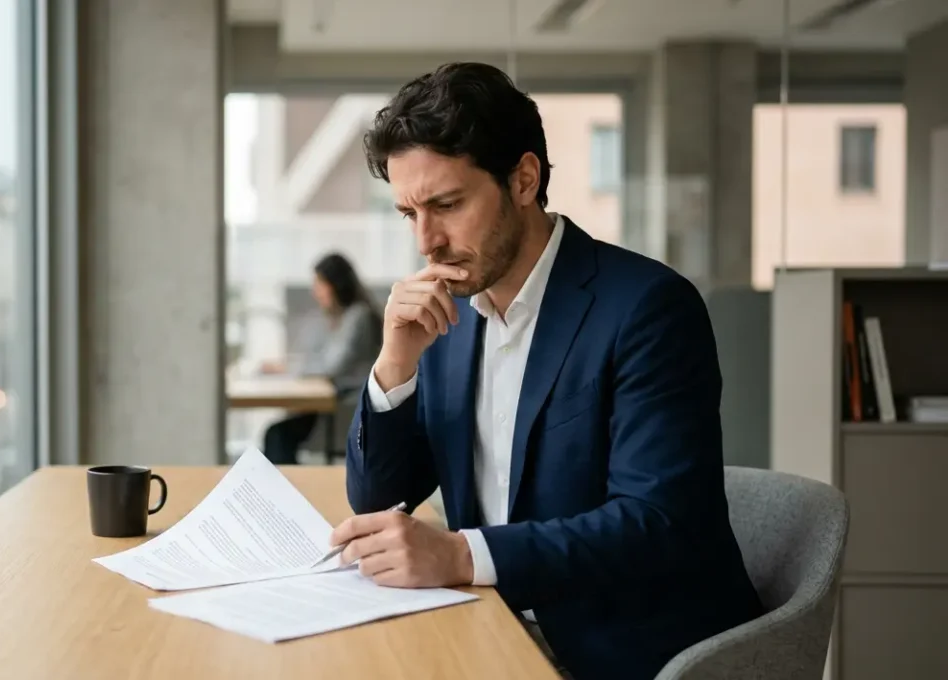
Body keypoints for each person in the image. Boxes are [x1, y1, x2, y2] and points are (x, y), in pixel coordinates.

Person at [328, 62, 764, 680]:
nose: (427, 241)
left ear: (524, 179)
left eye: (447, 204)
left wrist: (459, 554)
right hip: (490, 627)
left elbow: (657, 523)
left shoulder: (648, 308)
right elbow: (379, 499)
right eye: (408, 213)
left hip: (625, 648)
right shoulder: (446, 315)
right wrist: (395, 362)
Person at [262, 253, 382, 465]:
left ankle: (285, 494)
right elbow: (317, 357)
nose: (315, 291)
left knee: (277, 436)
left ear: (335, 284)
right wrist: (291, 366)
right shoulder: (339, 317)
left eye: (319, 283)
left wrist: (290, 369)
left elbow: (331, 366)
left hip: (345, 408)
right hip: (333, 403)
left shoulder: (358, 317)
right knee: (276, 434)